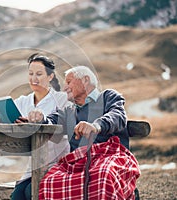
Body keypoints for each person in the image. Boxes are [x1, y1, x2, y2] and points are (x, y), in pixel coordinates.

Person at [28, 66, 141, 199]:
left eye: (69, 82)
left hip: (110, 155)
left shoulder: (108, 96)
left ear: (85, 80)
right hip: (78, 161)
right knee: (50, 181)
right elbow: (50, 121)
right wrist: (40, 117)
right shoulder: (68, 111)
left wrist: (96, 126)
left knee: (103, 175)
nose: (64, 88)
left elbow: (118, 116)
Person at [0, 53, 72, 200]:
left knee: (31, 191)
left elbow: (64, 128)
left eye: (39, 74)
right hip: (34, 165)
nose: (33, 78)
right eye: (30, 74)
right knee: (17, 195)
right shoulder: (23, 101)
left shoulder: (62, 100)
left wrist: (40, 121)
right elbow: (7, 119)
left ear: (50, 76)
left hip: (58, 162)